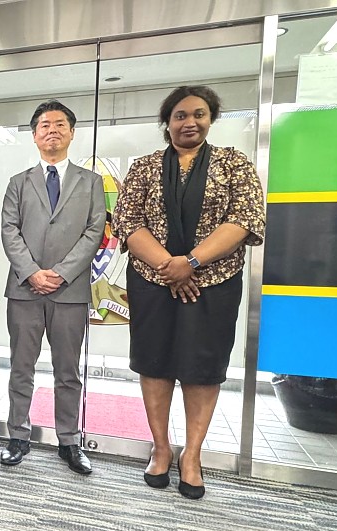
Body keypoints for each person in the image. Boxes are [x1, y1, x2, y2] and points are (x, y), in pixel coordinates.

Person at [112, 85, 264, 499]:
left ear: (210, 118)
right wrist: (169, 266)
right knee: (154, 363)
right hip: (152, 282)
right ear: (168, 122)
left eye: (198, 114)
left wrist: (190, 262)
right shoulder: (144, 168)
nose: (189, 122)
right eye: (180, 115)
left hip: (212, 284)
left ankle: (191, 456)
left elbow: (245, 219)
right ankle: (161, 449)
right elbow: (128, 221)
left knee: (202, 367)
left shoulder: (233, 163)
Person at [0, 100, 105, 474]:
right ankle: (17, 435)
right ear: (34, 135)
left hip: (70, 291)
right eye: (44, 125)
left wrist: (61, 272)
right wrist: (32, 272)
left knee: (68, 371)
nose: (52, 130)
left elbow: (95, 231)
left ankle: (69, 441)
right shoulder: (18, 183)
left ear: (72, 132)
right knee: (20, 367)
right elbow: (9, 231)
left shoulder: (91, 182)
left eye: (60, 124)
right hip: (25, 291)